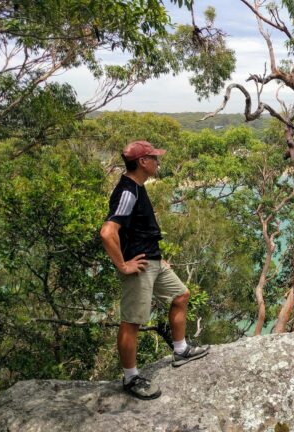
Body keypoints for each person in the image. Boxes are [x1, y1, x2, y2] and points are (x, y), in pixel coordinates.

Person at [100, 140, 209, 400]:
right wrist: (123, 265)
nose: (158, 162)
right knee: (132, 322)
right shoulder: (128, 191)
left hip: (154, 261)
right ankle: (130, 378)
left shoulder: (138, 187)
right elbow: (108, 232)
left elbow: (138, 229)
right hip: (139, 267)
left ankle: (180, 350)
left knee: (181, 295)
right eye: (154, 158)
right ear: (142, 162)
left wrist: (159, 258)